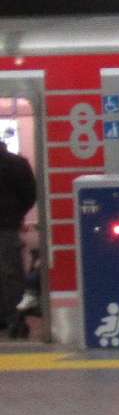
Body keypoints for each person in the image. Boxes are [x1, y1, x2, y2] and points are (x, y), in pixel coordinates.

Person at [0, 139, 36, 331]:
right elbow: (30, 194)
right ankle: (14, 318)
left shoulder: (15, 164)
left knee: (9, 273)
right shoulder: (17, 163)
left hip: (7, 225)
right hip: (7, 226)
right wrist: (16, 214)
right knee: (10, 274)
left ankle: (11, 318)